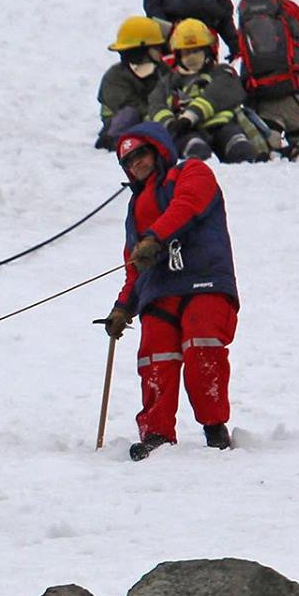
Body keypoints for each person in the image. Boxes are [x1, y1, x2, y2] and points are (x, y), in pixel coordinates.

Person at [98, 122, 239, 460]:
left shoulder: (192, 172)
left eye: (140, 155)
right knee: (154, 356)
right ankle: (156, 435)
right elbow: (135, 264)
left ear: (157, 149)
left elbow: (188, 205)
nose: (136, 164)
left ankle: (214, 428)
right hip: (160, 290)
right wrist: (123, 307)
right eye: (128, 162)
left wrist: (154, 238)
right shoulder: (135, 209)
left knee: (201, 343)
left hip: (204, 278)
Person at [150, 19, 264, 163]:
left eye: (196, 51)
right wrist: (170, 124)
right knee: (196, 150)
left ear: (208, 50)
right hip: (186, 133)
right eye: (186, 52)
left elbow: (218, 93)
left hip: (223, 126)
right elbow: (156, 104)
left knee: (240, 148)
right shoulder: (167, 82)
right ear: (178, 55)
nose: (191, 57)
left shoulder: (223, 72)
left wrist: (190, 116)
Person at [234, 0, 299, 154]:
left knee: (270, 143)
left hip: (264, 103)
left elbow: (245, 79)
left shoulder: (252, 48)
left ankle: (274, 142)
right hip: (296, 101)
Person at [95, 15, 171, 150]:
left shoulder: (161, 70)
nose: (161, 52)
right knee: (130, 114)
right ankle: (114, 140)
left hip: (154, 119)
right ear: (141, 50)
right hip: (120, 123)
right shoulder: (115, 77)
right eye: (157, 48)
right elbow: (130, 105)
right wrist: (157, 115)